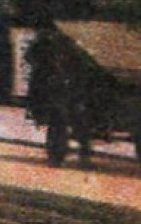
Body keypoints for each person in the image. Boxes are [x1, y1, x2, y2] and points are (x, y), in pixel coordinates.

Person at [25, 25, 93, 167]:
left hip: (71, 87)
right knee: (61, 119)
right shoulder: (46, 41)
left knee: (75, 119)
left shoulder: (73, 43)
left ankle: (80, 151)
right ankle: (59, 153)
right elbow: (33, 58)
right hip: (55, 88)